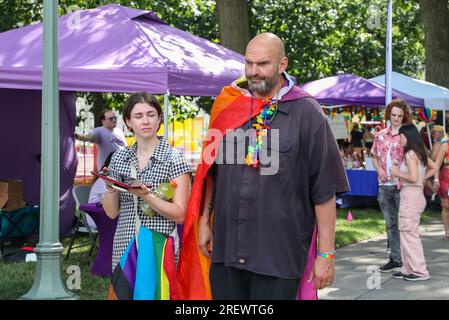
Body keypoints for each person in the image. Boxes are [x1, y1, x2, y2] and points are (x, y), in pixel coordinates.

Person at [177, 33, 349, 300]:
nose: (253, 72)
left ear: (283, 65)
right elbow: (212, 172)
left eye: (263, 64)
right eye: (248, 63)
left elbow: (324, 190)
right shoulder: (227, 107)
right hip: (227, 251)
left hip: (278, 255)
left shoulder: (308, 113)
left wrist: (326, 253)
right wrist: (203, 222)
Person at [102, 92, 191, 296]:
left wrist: (147, 196)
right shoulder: (119, 158)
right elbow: (111, 213)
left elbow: (180, 214)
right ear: (128, 121)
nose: (145, 121)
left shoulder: (174, 158)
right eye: (138, 116)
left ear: (160, 118)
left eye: (151, 114)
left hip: (158, 246)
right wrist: (109, 188)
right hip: (124, 244)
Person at [390, 124, 438, 281]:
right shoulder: (420, 152)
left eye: (401, 136)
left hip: (410, 196)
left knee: (409, 234)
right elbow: (434, 166)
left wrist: (398, 172)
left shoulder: (411, 154)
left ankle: (419, 271)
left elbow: (412, 177)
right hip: (415, 195)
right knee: (406, 232)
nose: (400, 140)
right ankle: (407, 268)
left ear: (408, 136)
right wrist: (423, 178)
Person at [371, 99, 413, 273]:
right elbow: (374, 156)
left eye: (399, 116)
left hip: (402, 186)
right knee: (390, 224)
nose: (396, 118)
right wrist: (379, 169)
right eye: (393, 115)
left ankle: (409, 260)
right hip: (384, 185)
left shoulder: (407, 136)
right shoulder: (380, 135)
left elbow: (414, 159)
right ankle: (395, 259)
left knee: (405, 224)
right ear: (389, 114)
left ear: (404, 116)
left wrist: (403, 175)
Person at [432, 137, 449, 240]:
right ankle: (448, 232)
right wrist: (435, 178)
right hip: (446, 179)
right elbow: (437, 164)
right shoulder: (445, 146)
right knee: (446, 206)